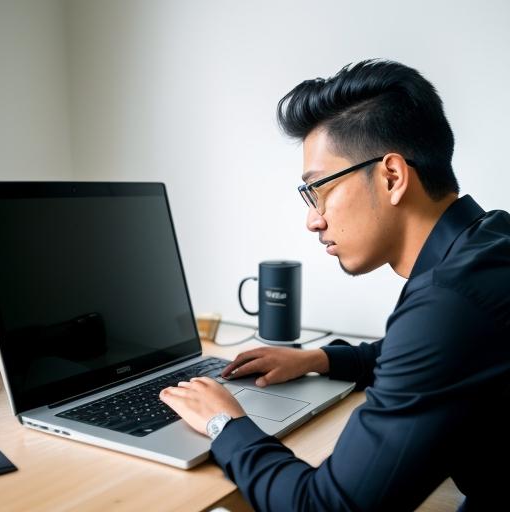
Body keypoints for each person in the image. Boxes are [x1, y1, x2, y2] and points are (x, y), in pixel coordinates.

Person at [159, 60, 510, 511]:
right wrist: (318, 358)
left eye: (318, 189)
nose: (313, 219)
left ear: (392, 177)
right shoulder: (488, 241)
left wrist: (223, 423)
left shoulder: (450, 302)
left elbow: (325, 507)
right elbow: (421, 354)